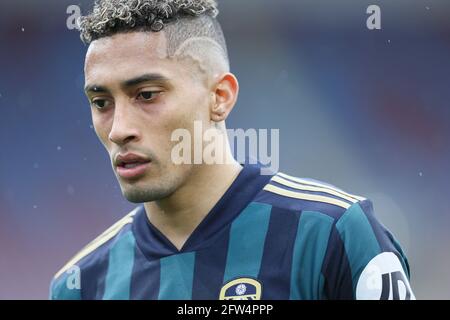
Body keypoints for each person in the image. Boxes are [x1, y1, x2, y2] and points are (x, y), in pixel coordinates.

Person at [50, 0, 415, 300]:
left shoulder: (333, 234)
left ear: (219, 97)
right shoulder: (80, 284)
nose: (119, 130)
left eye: (146, 95)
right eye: (101, 102)